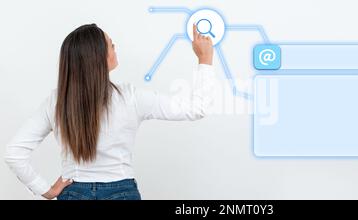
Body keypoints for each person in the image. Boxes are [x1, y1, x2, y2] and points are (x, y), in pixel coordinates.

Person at [4, 23, 214, 200]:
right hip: (122, 192)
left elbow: (14, 152)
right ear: (99, 57)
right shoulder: (131, 98)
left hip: (73, 192)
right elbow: (197, 108)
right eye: (111, 45)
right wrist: (205, 58)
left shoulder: (57, 101)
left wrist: (45, 190)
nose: (115, 47)